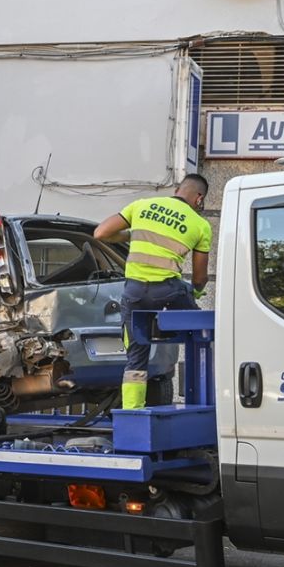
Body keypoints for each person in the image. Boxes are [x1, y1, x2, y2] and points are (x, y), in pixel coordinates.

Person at [94, 174, 213, 410]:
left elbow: (100, 234)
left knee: (136, 356)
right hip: (169, 292)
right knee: (202, 333)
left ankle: (132, 413)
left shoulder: (141, 205)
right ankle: (204, 400)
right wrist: (195, 293)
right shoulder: (201, 225)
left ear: (178, 189)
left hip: (135, 293)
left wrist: (129, 235)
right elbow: (199, 278)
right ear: (199, 199)